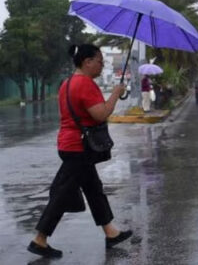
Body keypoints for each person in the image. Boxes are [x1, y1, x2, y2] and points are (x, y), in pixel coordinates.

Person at [27, 44, 132, 259]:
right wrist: (115, 94)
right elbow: (100, 114)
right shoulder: (85, 84)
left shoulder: (67, 83)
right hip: (79, 148)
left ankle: (110, 232)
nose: (102, 66)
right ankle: (40, 239)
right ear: (87, 62)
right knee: (62, 195)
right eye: (100, 62)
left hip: (69, 144)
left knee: (94, 189)